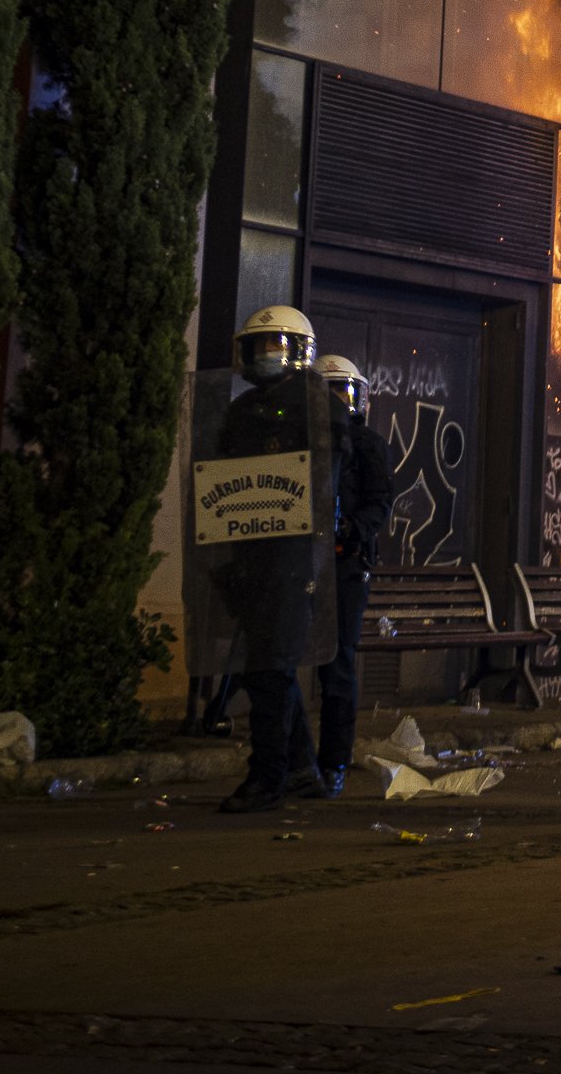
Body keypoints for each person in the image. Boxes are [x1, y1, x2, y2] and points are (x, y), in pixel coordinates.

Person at [210, 305, 337, 813]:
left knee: (271, 668)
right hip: (249, 555)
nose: (266, 356)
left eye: (275, 347)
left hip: (292, 559)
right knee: (266, 668)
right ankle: (302, 769)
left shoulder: (318, 409)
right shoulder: (242, 412)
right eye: (259, 347)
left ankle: (267, 776)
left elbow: (328, 481)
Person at [286, 354, 395, 796]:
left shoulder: (366, 444)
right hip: (298, 563)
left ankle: (333, 763)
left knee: (338, 667)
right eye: (328, 392)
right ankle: (297, 761)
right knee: (280, 664)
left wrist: (351, 528)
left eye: (342, 392)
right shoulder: (302, 440)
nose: (337, 401)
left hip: (345, 563)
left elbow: (379, 501)